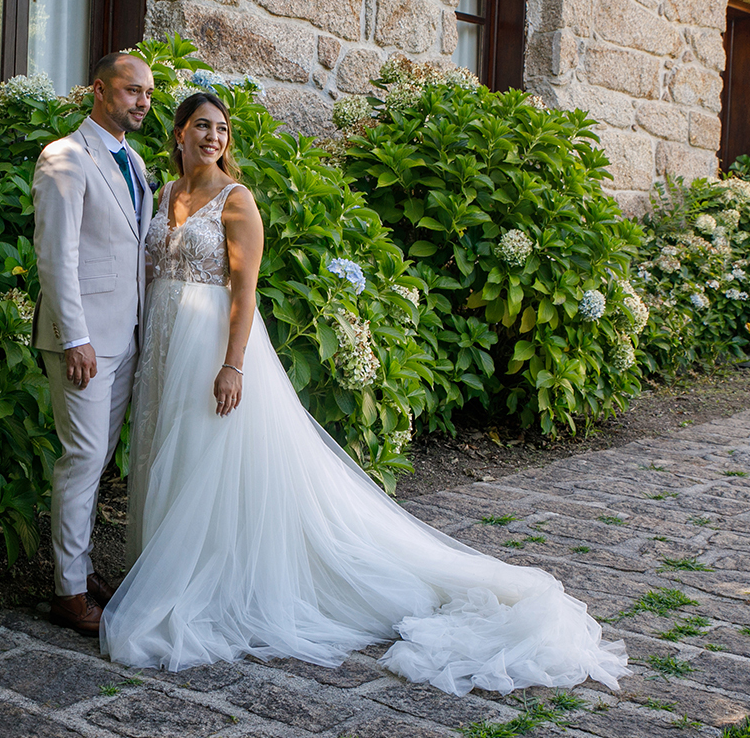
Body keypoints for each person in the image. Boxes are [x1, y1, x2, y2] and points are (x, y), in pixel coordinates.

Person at [98, 90, 629, 695]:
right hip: (164, 348)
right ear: (179, 134)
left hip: (210, 347)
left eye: (221, 129)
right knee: (166, 452)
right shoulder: (163, 194)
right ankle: (162, 570)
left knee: (203, 461)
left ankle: (197, 585)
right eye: (200, 127)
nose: (212, 137)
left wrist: (233, 365)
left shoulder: (236, 202)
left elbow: (244, 293)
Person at [31, 53, 155, 636]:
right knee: (81, 458)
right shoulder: (66, 157)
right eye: (132, 90)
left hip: (124, 337)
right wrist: (74, 337)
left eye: (148, 94)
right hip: (83, 343)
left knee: (98, 460)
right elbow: (57, 256)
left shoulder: (135, 162)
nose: (142, 102)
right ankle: (68, 592)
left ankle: (77, 569)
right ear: (100, 90)